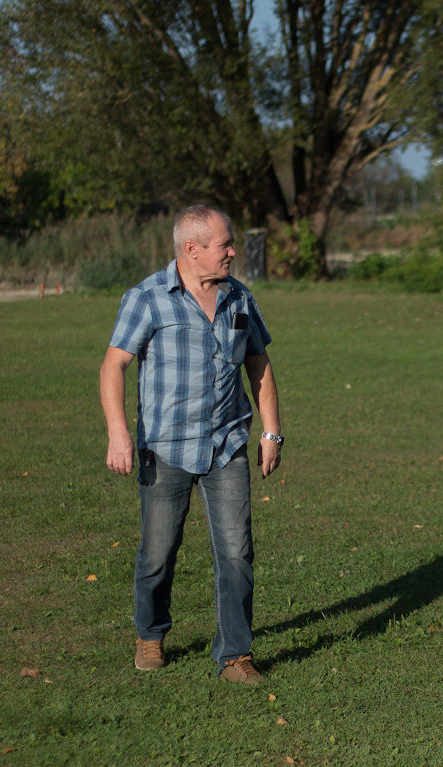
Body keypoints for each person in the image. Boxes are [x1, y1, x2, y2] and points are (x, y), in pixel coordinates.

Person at [99, 205, 282, 683]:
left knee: (237, 553)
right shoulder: (147, 298)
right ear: (192, 249)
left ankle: (235, 656)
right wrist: (118, 432)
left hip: (226, 444)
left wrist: (271, 431)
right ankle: (150, 633)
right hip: (166, 448)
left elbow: (258, 364)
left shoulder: (239, 297)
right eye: (225, 244)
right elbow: (114, 364)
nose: (233, 251)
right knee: (158, 553)